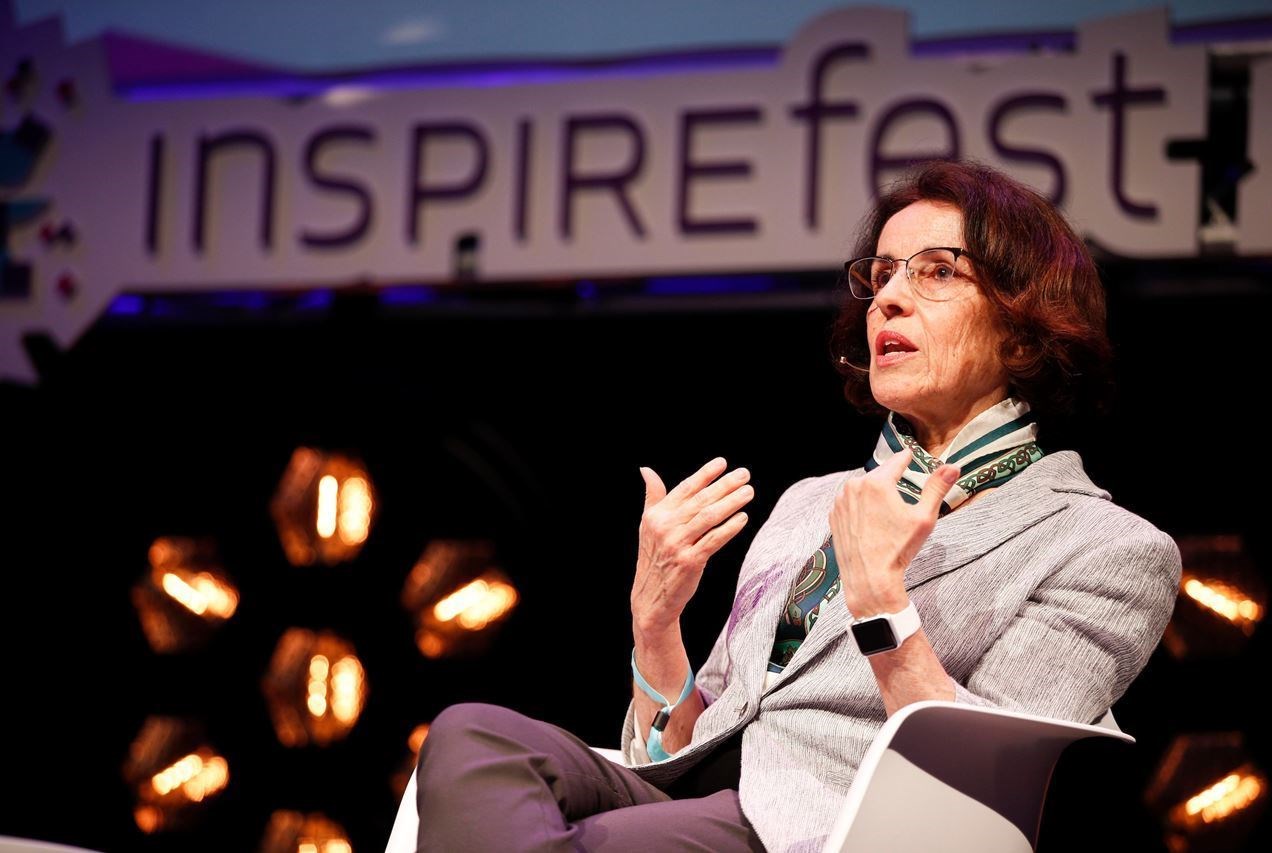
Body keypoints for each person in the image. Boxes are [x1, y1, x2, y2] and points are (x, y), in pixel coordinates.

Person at [413, 159, 1182, 852]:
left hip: (823, 824)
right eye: (880, 274)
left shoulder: (1105, 547)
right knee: (471, 735)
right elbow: (700, 731)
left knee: (599, 840)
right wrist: (655, 627)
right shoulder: (813, 502)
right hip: (698, 793)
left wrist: (881, 598)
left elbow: (973, 780)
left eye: (937, 272)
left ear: (1024, 328)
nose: (888, 300)